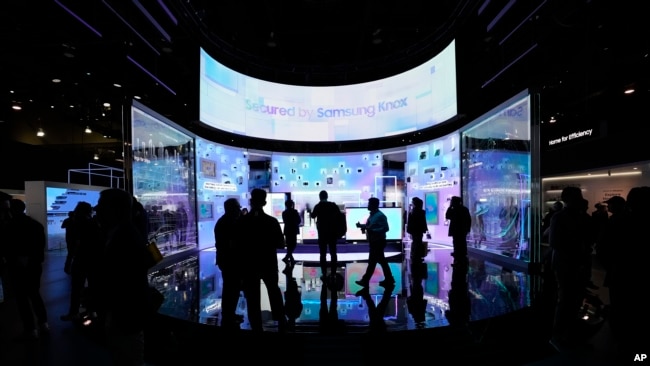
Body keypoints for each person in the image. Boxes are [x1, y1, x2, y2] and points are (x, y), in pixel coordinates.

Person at [94, 188, 151, 365]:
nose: (97, 210)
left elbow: (123, 279)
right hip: (124, 312)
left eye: (102, 206)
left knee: (127, 356)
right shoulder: (124, 232)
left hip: (125, 313)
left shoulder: (125, 236)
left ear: (115, 209)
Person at [547, 186, 594, 351]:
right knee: (566, 299)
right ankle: (558, 335)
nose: (579, 199)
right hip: (566, 265)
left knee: (574, 300)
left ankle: (569, 334)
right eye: (576, 196)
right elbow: (555, 243)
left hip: (576, 263)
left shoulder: (579, 217)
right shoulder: (559, 217)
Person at [234, 188, 287, 332]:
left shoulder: (242, 222)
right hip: (268, 263)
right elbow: (280, 244)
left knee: (252, 297)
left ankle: (256, 327)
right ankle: (281, 321)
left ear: (251, 201)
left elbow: (237, 246)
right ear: (264, 202)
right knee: (274, 292)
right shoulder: (272, 222)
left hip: (249, 265)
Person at [5, 198, 49, 340]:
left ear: (12, 209)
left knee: (21, 298)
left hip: (16, 267)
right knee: (35, 294)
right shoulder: (36, 225)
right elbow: (40, 247)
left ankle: (30, 328)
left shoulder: (8, 226)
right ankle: (43, 323)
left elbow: (6, 248)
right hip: (34, 266)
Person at [60, 201, 102, 322]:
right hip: (94, 260)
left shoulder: (77, 223)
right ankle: (92, 311)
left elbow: (76, 243)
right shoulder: (94, 223)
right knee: (93, 286)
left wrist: (69, 261)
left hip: (81, 259)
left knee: (77, 287)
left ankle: (74, 312)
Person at [214, 198, 242, 329]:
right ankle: (228, 314)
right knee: (230, 288)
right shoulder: (227, 223)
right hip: (229, 260)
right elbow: (230, 244)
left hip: (228, 260)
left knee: (232, 288)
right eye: (237, 207)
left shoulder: (225, 221)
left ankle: (230, 313)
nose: (239, 209)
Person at [355, 197, 394, 288]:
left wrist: (372, 230)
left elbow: (386, 228)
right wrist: (362, 226)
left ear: (373, 205)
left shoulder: (380, 215)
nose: (368, 205)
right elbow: (371, 226)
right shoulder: (373, 215)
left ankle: (365, 280)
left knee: (372, 262)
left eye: (369, 203)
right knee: (382, 261)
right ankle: (389, 279)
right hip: (374, 241)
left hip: (378, 241)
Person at [310, 190, 341, 280]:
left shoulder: (318, 206)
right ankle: (333, 273)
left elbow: (312, 216)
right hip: (332, 232)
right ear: (327, 196)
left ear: (320, 197)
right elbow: (339, 215)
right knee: (333, 253)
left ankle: (324, 273)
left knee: (323, 254)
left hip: (322, 233)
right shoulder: (333, 205)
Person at [406, 196, 428, 323]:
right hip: (418, 230)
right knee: (417, 243)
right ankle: (417, 257)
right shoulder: (421, 212)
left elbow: (411, 223)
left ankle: (416, 257)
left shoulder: (414, 212)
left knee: (416, 243)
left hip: (415, 230)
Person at [281, 199, 301, 268]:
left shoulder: (284, 212)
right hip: (293, 229)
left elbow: (284, 221)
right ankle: (288, 257)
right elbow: (299, 220)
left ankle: (289, 258)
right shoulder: (294, 212)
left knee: (289, 244)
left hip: (287, 229)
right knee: (293, 244)